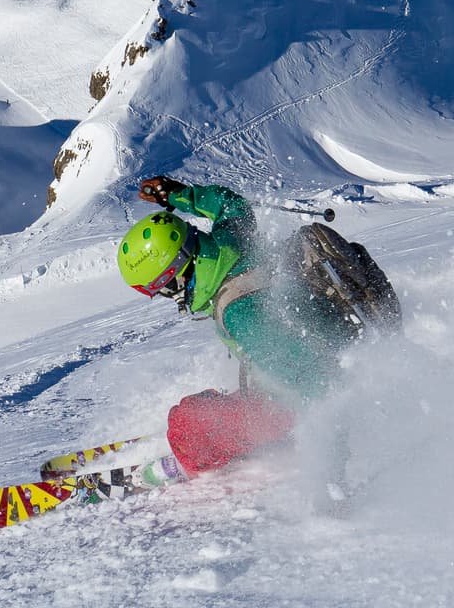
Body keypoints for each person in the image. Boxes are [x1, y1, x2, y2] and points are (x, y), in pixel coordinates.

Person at [117, 175, 359, 483]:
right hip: (329, 348)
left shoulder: (240, 312)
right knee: (204, 405)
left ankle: (182, 463)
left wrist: (334, 478)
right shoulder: (231, 242)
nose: (166, 297)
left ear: (174, 276)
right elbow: (231, 205)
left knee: (186, 424)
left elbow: (317, 387)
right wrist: (178, 195)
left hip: (306, 400)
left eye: (158, 288)